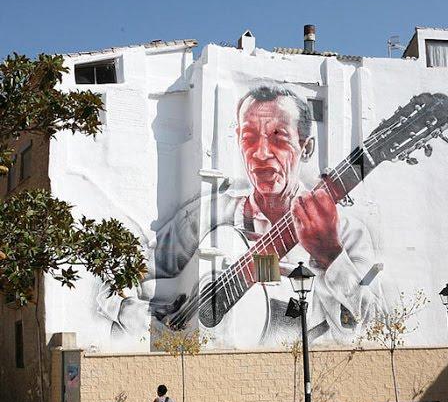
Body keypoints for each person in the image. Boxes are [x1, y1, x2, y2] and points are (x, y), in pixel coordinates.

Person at [97, 84, 384, 347]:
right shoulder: (211, 215)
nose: (260, 153)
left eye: (278, 137)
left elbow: (372, 329)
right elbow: (121, 274)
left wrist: (331, 256)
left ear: (305, 147)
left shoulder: (346, 233)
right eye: (249, 137)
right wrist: (129, 312)